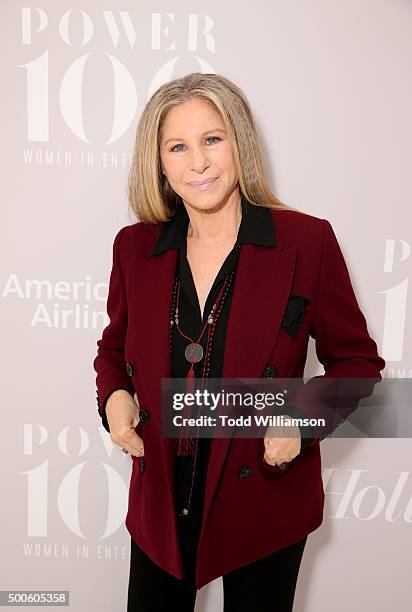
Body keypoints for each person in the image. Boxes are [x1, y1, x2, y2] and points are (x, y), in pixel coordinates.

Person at [93, 72, 385, 611]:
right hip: (161, 495)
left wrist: (300, 416)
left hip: (263, 499)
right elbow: (113, 350)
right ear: (159, 162)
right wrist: (113, 399)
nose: (198, 162)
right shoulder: (134, 247)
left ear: (239, 141)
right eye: (177, 146)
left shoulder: (306, 240)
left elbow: (359, 362)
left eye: (212, 139)